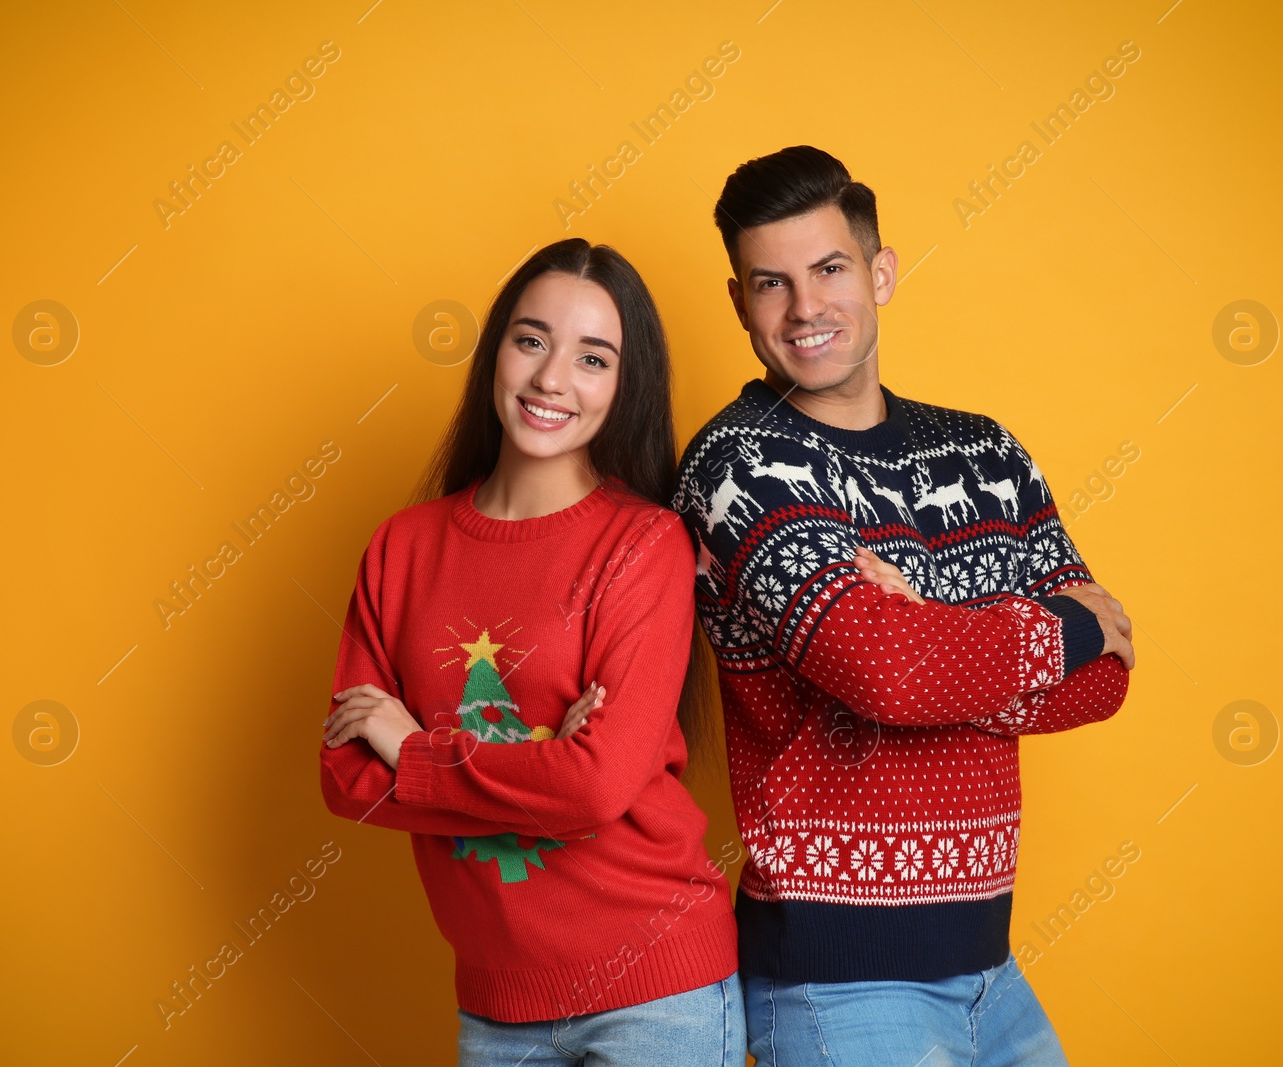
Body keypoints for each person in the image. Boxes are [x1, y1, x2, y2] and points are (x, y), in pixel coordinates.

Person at [672, 146, 1136, 1066]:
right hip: (835, 982)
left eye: (830, 269)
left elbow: (1106, 683)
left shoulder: (985, 452)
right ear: (739, 304)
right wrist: (1064, 625)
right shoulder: (736, 465)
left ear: (881, 272)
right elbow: (889, 672)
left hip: (991, 968)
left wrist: (921, 619)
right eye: (772, 283)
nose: (805, 309)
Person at [319, 237, 745, 1066]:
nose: (553, 379)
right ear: (495, 354)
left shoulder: (644, 545)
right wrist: (549, 751)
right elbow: (345, 778)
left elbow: (598, 785)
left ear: (625, 387)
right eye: (531, 340)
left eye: (594, 358)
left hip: (658, 993)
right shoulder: (401, 548)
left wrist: (412, 747)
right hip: (496, 1005)